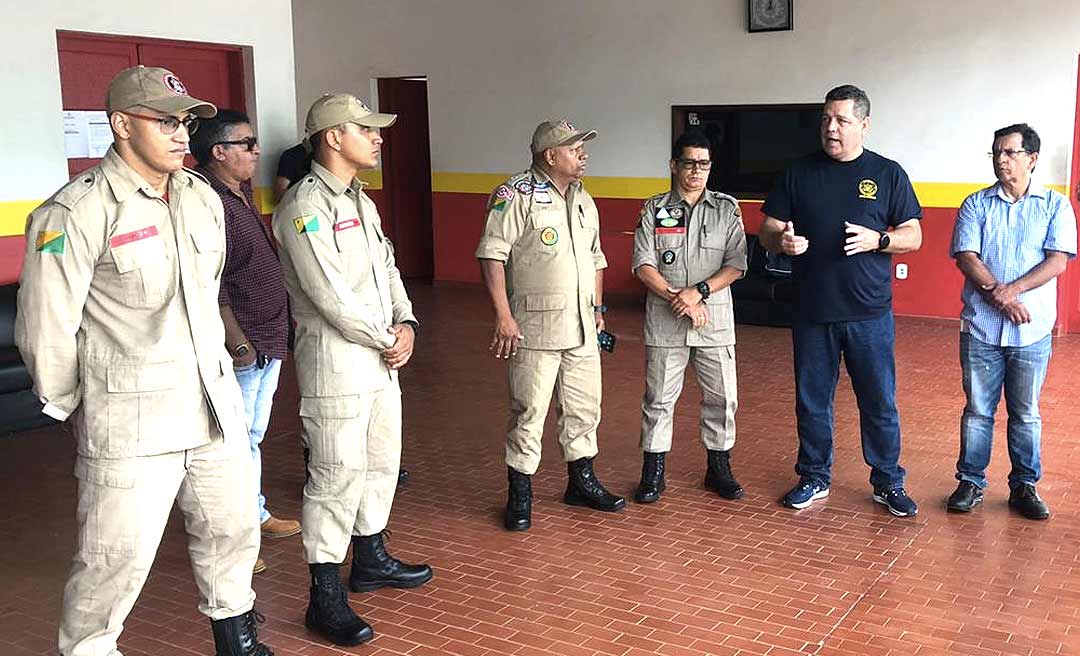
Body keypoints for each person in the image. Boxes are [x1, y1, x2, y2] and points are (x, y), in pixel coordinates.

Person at [15, 65, 271, 656]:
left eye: (184, 122)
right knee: (114, 558)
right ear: (121, 124)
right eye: (165, 121)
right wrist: (81, 403)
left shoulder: (200, 196)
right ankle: (89, 648)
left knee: (232, 532)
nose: (183, 135)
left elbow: (207, 294)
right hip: (132, 421)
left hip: (213, 405)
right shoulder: (75, 211)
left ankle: (238, 639)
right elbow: (45, 324)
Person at [272, 92, 432, 647]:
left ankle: (371, 558)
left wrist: (408, 323)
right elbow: (330, 296)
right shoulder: (303, 207)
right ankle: (325, 597)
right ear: (334, 137)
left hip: (382, 357)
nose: (379, 137)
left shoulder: (362, 201)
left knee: (381, 462)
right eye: (367, 129)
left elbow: (387, 268)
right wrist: (388, 336)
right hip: (337, 365)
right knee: (335, 477)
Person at [759, 84, 923, 517]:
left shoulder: (888, 174)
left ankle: (887, 480)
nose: (831, 128)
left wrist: (879, 239)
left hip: (869, 313)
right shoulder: (798, 173)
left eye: (843, 121)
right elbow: (768, 229)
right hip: (812, 311)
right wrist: (782, 241)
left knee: (879, 400)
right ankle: (814, 476)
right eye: (826, 119)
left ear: (864, 125)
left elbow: (914, 235)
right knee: (812, 400)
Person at [476, 119, 625, 532]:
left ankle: (581, 481)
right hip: (535, 328)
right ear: (550, 155)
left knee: (583, 408)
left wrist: (599, 309)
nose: (583, 154)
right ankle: (519, 492)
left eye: (582, 147)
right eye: (575, 148)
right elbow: (491, 254)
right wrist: (503, 315)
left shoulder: (583, 198)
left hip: (582, 328)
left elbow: (596, 259)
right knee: (529, 411)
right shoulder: (515, 195)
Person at [191, 109, 301, 574]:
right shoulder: (207, 202)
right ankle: (232, 539)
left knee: (251, 436)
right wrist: (237, 341)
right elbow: (210, 281)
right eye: (247, 143)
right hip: (244, 345)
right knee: (229, 444)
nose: (258, 150)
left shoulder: (238, 195)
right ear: (220, 152)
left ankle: (252, 516)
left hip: (268, 337)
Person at [947, 123, 1076, 520]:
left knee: (1025, 412)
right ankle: (970, 481)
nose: (1001, 160)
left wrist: (1012, 291)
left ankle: (1024, 485)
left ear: (1032, 159)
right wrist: (998, 296)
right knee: (978, 410)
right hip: (982, 328)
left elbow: (1057, 259)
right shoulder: (976, 204)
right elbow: (966, 255)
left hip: (1032, 330)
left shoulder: (1055, 206)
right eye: (996, 153)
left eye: (1010, 153)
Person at [630, 129, 747, 503]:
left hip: (713, 318)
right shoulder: (655, 208)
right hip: (667, 318)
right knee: (659, 398)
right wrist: (675, 296)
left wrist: (697, 293)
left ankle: (719, 466)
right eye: (689, 163)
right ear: (673, 165)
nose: (697, 171)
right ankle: (653, 472)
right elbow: (642, 263)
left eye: (704, 164)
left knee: (722, 397)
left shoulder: (727, 208)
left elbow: (737, 264)